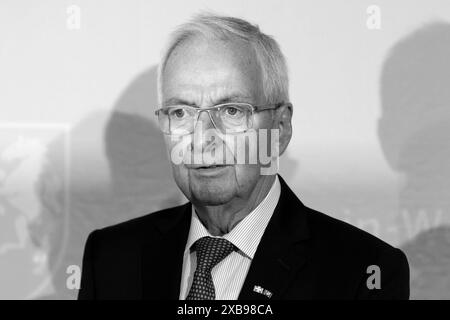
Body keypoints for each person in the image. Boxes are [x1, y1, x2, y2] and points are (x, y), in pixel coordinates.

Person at [78, 13, 409, 300]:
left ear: (280, 128)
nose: (202, 137)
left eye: (232, 110)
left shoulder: (363, 272)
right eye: (181, 112)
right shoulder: (110, 258)